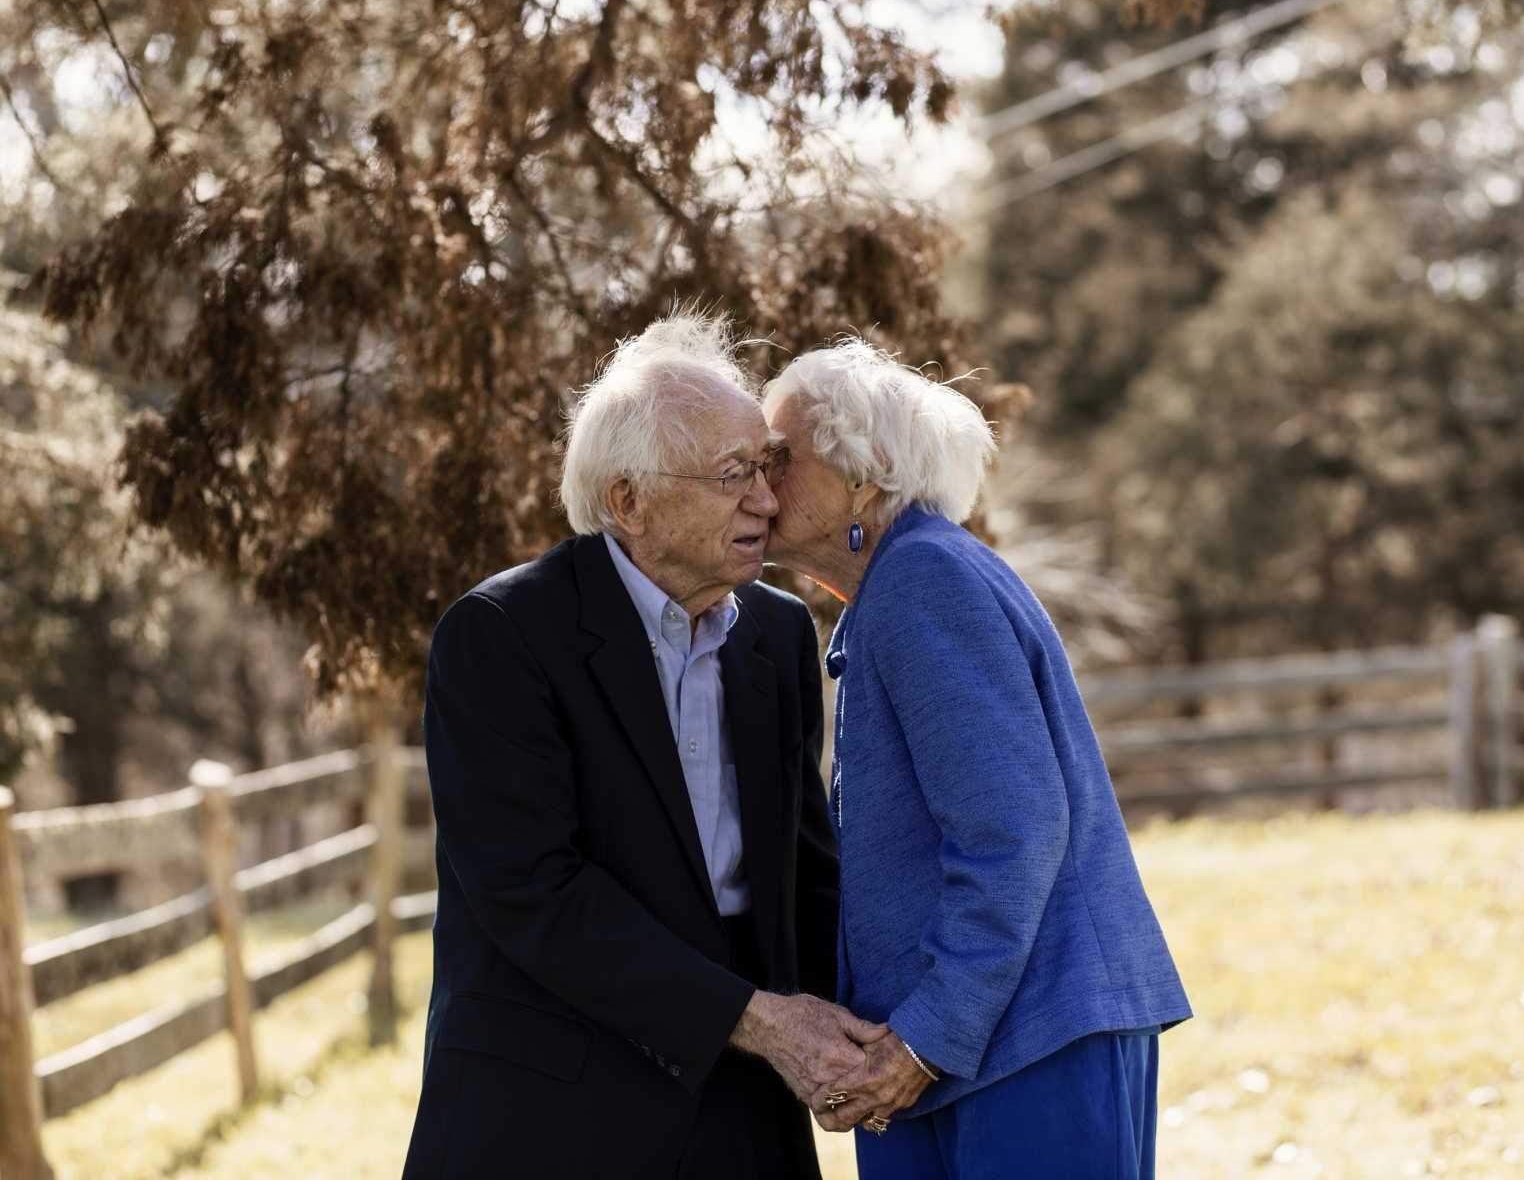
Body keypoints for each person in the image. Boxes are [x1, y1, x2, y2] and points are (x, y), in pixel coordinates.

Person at [403, 315, 881, 1179]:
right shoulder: (501, 635)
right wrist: (760, 1020)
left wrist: (885, 1035)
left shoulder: (776, 635)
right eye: (733, 475)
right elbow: (532, 891)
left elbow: (807, 875)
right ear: (628, 500)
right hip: (553, 1113)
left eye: (766, 470)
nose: (767, 503)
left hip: (747, 1110)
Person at [761, 340, 1192, 1180]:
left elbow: (1014, 831)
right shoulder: (903, 582)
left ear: (865, 478)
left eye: (782, 457)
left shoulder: (923, 578)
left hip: (1023, 1051)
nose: (757, 480)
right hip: (981, 1053)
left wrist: (922, 1041)